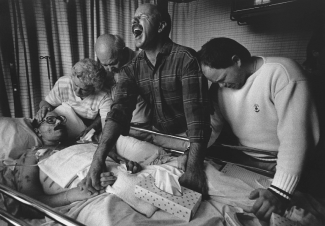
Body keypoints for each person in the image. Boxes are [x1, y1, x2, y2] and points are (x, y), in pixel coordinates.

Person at [79, 3, 211, 196]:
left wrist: (194, 166)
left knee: (206, 179)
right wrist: (98, 158)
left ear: (160, 26)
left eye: (142, 17)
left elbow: (197, 117)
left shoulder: (185, 58)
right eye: (133, 18)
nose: (134, 21)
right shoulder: (131, 68)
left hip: (186, 137)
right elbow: (118, 113)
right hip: (160, 135)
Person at [198, 37, 320, 220]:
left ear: (236, 61)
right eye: (215, 82)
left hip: (284, 162)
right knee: (208, 182)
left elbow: (295, 139)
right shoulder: (218, 90)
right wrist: (193, 152)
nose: (221, 86)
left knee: (295, 213)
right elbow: (211, 127)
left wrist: (280, 191)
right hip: (246, 158)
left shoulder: (282, 73)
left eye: (222, 78)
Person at [0, 110, 121, 218]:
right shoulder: (32, 155)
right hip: (91, 201)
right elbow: (28, 206)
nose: (58, 122)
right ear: (38, 131)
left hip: (118, 181)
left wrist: (125, 164)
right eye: (50, 120)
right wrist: (73, 195)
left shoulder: (82, 144)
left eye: (61, 119)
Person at [35, 58, 112, 139]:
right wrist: (44, 107)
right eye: (75, 85)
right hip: (63, 126)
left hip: (88, 129)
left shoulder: (104, 95)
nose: (78, 92)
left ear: (95, 88)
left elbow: (106, 124)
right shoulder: (63, 83)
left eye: (84, 89)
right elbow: (45, 102)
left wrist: (94, 127)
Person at [94, 34, 152, 140]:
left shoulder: (144, 63)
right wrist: (95, 125)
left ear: (123, 52)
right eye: (105, 65)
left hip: (143, 129)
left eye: (113, 63)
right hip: (116, 126)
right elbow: (106, 103)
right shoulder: (106, 69)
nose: (110, 69)